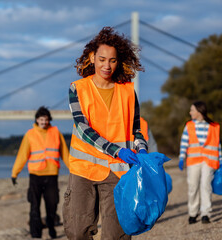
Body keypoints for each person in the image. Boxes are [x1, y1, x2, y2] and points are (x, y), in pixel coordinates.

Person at [62, 27, 148, 240]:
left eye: (112, 60)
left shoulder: (128, 91)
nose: (106, 66)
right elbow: (83, 128)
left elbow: (136, 129)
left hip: (117, 171)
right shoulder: (77, 88)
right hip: (84, 169)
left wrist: (142, 150)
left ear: (119, 61)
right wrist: (116, 150)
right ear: (92, 57)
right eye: (102, 59)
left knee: (116, 234)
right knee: (76, 231)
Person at [11, 106, 69, 239]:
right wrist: (15, 173)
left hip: (51, 175)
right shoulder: (30, 134)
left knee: (52, 205)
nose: (44, 122)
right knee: (34, 206)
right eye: (41, 119)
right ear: (37, 120)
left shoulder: (56, 132)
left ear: (49, 120)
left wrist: (74, 171)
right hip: (35, 175)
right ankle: (36, 234)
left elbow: (65, 154)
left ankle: (51, 227)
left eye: (46, 119)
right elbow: (22, 155)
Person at [178, 101, 222, 224]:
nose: (190, 112)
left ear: (199, 111)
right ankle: (193, 212)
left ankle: (205, 213)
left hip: (209, 161)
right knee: (193, 186)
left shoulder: (213, 126)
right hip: (194, 160)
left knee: (206, 186)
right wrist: (182, 157)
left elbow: (218, 144)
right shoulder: (189, 126)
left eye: (192, 110)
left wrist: (221, 161)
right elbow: (184, 142)